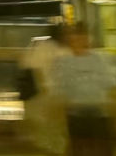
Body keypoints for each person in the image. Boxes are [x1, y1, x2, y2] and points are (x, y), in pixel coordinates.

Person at [52, 22, 116, 156]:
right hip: (78, 112)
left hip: (98, 112)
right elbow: (58, 91)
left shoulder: (105, 60)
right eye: (73, 37)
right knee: (81, 146)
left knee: (100, 147)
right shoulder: (63, 63)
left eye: (80, 37)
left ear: (87, 38)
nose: (77, 41)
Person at [21, 24, 71, 154]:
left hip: (57, 92)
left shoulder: (64, 49)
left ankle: (54, 148)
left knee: (55, 124)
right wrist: (44, 88)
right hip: (47, 92)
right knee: (49, 124)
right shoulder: (45, 48)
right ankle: (52, 148)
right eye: (66, 33)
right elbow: (36, 70)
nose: (68, 36)